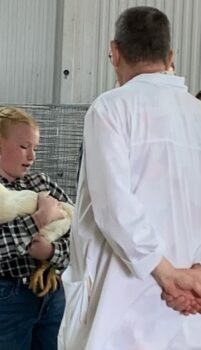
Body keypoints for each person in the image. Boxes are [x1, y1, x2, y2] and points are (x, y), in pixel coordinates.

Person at [58, 7, 201, 350]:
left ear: (116, 52)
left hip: (118, 305)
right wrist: (193, 276)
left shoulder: (110, 108)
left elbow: (114, 207)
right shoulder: (197, 115)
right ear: (170, 56)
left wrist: (167, 275)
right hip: (186, 306)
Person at [0, 106, 72, 350]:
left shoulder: (41, 183)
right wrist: (38, 220)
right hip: (2, 300)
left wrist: (52, 252)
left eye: (35, 148)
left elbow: (80, 234)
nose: (31, 156)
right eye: (24, 147)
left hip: (51, 295)